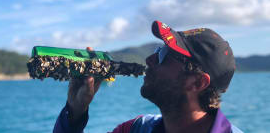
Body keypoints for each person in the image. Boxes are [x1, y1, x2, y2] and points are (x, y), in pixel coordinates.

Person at [53, 20, 243, 133]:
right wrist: (76, 111)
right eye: (158, 49)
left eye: (164, 55)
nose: (150, 59)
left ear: (197, 82)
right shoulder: (136, 129)